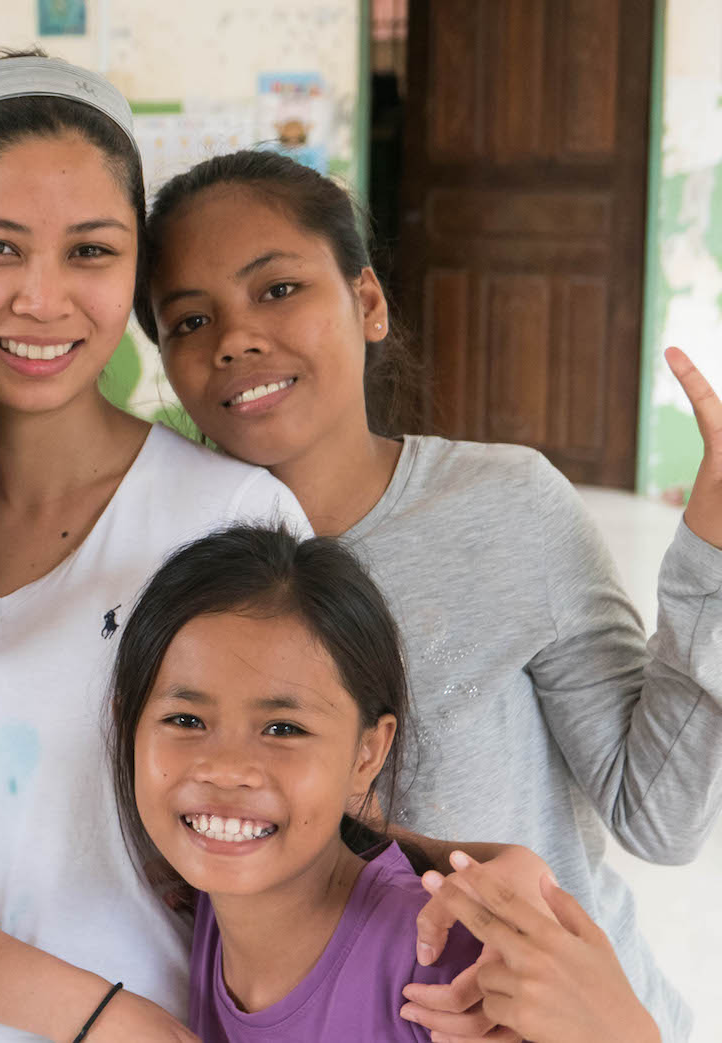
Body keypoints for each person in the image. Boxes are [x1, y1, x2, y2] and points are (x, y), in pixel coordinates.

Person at [140, 147, 721, 1041]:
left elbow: (658, 814)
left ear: (367, 302)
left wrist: (711, 561)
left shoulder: (506, 506)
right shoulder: (169, 559)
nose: (235, 337)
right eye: (188, 320)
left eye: (279, 289)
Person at [0, 53, 309, 1042]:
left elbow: (307, 837)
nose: (44, 299)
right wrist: (103, 1019)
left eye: (90, 251)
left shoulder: (235, 518)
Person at [109, 525, 484, 1042]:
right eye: (186, 720)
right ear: (128, 724)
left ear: (367, 752)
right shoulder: (203, 913)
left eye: (283, 729)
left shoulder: (445, 972)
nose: (226, 769)